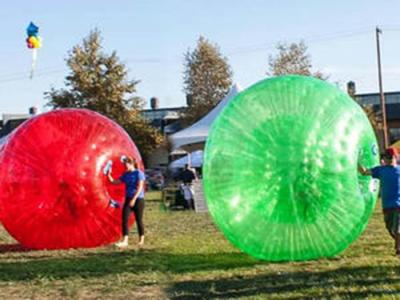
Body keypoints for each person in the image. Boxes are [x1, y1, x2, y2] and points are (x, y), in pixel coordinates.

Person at [358, 147, 400, 255]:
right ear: (384, 159)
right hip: (387, 206)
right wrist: (356, 161)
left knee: (398, 228)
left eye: (391, 157)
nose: (389, 159)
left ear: (396, 158)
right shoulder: (381, 170)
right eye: (387, 157)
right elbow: (364, 172)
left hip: (398, 205)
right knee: (390, 229)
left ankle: (398, 248)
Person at [107, 156, 145, 248]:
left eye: (127, 164)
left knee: (138, 220)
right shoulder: (126, 174)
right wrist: (109, 175)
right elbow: (116, 182)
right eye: (124, 164)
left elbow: (140, 187)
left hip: (138, 199)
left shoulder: (139, 173)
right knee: (125, 219)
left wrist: (134, 199)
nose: (125, 166)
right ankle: (125, 241)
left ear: (131, 163)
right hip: (128, 198)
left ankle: (141, 240)